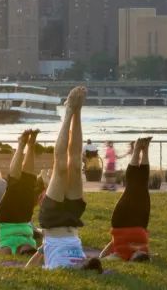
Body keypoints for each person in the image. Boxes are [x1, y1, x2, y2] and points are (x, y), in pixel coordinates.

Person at [26, 86, 101, 272]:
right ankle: (77, 110)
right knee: (75, 165)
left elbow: (31, 266)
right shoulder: (83, 261)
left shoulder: (58, 268)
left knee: (60, 167)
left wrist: (40, 252)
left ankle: (68, 112)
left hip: (52, 221)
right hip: (72, 219)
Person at [0, 129, 40, 255]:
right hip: (21, 219)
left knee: (18, 184)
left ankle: (23, 144)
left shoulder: (8, 250)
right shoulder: (29, 246)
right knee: (26, 183)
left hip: (9, 219)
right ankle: (29, 144)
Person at [100, 136, 153, 262]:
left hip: (122, 222)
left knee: (133, 187)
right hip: (140, 223)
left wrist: (113, 242)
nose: (138, 252)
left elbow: (102, 257)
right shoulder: (144, 253)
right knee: (141, 186)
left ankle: (139, 148)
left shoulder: (121, 256)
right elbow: (102, 256)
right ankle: (143, 149)